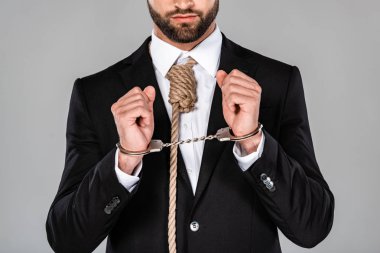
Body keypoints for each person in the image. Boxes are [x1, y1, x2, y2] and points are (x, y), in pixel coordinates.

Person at [46, 0, 334, 252]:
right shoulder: (96, 94)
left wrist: (252, 142)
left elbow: (312, 227)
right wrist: (125, 161)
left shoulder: (276, 83)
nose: (183, 2)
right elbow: (67, 239)